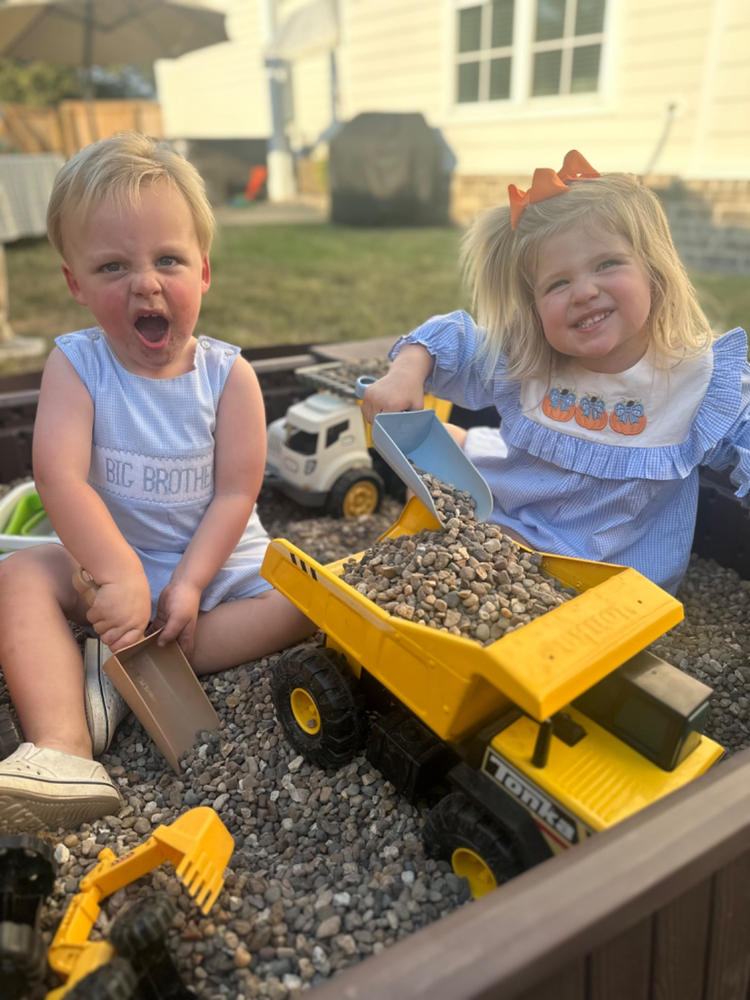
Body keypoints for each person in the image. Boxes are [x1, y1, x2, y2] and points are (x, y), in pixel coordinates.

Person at [0, 132, 315, 832]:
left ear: (203, 271)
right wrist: (115, 573)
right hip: (111, 561)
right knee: (21, 577)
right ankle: (62, 748)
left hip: (215, 569)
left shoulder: (229, 378)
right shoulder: (77, 367)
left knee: (308, 596)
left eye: (168, 260)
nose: (146, 282)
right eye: (113, 266)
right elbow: (58, 475)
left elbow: (237, 494)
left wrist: (192, 585)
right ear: (75, 283)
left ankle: (115, 668)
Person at [362, 150, 750, 595]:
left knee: (466, 557)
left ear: (654, 271)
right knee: (451, 542)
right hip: (509, 513)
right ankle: (464, 450)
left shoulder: (695, 382)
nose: (584, 292)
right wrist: (406, 371)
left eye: (607, 264)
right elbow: (458, 340)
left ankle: (463, 454)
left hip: (602, 569)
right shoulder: (535, 354)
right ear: (534, 308)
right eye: (557, 283)